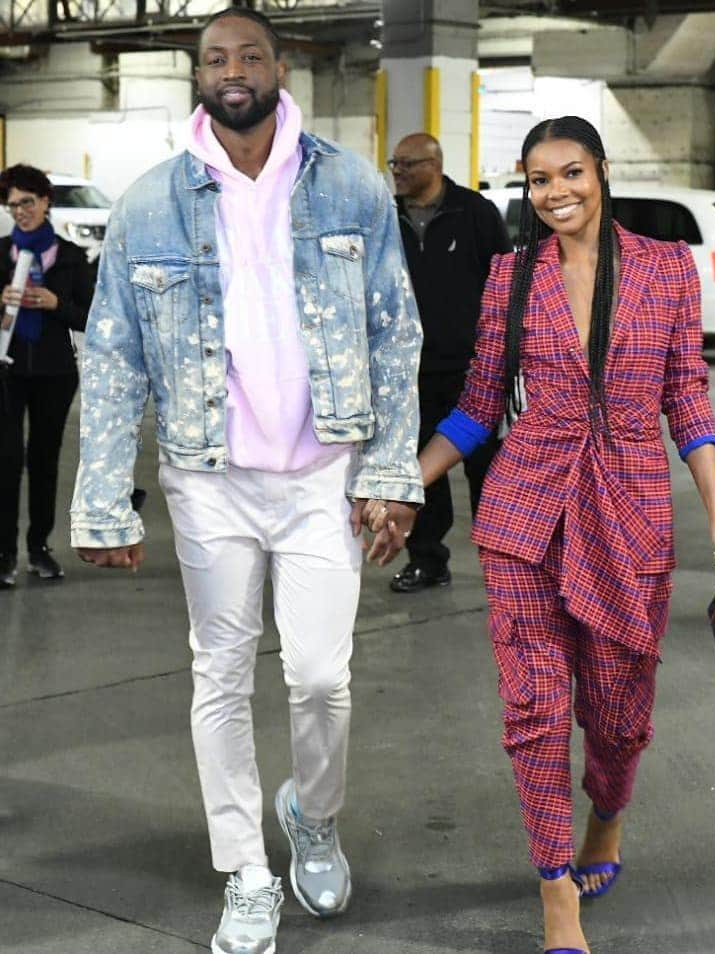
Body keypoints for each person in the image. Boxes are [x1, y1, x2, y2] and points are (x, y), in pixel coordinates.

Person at [69, 9, 422, 954]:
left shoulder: (350, 187)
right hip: (207, 476)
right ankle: (246, 871)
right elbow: (111, 358)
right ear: (198, 74)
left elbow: (396, 333)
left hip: (322, 475)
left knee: (319, 677)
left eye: (250, 54)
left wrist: (390, 470)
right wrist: (104, 499)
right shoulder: (149, 203)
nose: (233, 70)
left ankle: (312, 810)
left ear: (279, 66)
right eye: (215, 57)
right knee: (219, 675)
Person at [369, 116, 715, 954]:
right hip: (525, 514)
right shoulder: (510, 277)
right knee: (537, 711)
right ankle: (556, 899)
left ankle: (606, 822)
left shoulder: (664, 270)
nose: (556, 193)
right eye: (539, 181)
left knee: (618, 716)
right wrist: (399, 485)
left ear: (601, 172)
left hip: (630, 514)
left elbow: (685, 394)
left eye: (570, 174)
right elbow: (476, 408)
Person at [387, 132, 512, 593]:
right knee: (421, 470)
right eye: (393, 164)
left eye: (406, 164)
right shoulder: (388, 218)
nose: (396, 172)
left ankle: (501, 563)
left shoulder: (474, 213)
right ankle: (427, 559)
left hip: (471, 371)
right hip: (409, 372)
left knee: (488, 471)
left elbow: (504, 285)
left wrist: (501, 354)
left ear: (434, 164)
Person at [0, 163, 95, 588]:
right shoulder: (0, 255)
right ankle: (5, 555)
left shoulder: (72, 258)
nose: (20, 211)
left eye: (28, 202)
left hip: (56, 373)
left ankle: (39, 548)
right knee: (6, 460)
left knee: (44, 460)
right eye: (13, 204)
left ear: (45, 202)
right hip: (6, 370)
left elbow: (92, 317)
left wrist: (58, 304)